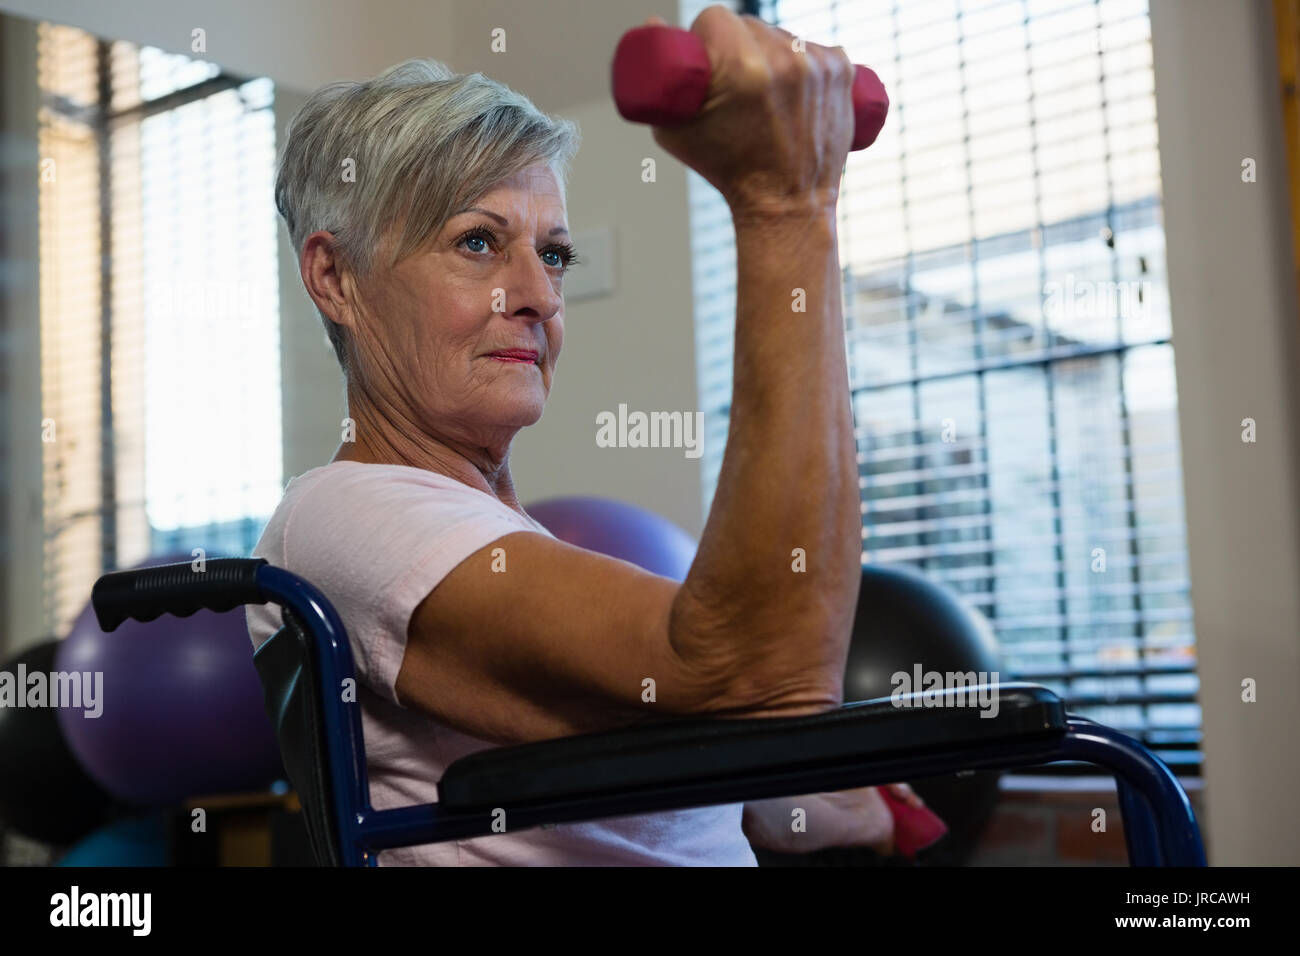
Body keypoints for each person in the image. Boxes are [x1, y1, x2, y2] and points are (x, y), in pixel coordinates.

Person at [247, 5, 923, 865]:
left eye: (554, 253)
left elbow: (702, 741)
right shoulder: (345, 517)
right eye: (479, 241)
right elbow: (758, 679)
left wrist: (827, 797)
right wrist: (787, 206)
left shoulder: (486, 540)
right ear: (335, 278)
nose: (539, 294)